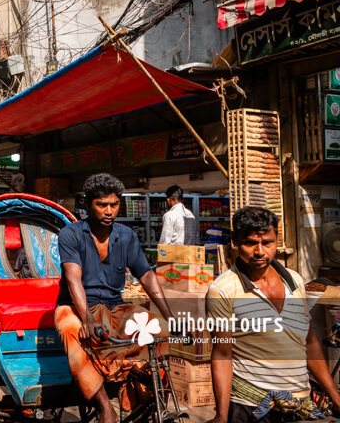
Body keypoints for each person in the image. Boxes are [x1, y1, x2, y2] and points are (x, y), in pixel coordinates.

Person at [55, 173, 175, 423]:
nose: (109, 211)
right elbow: (73, 278)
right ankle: (103, 407)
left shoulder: (127, 236)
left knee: (158, 330)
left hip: (114, 305)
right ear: (88, 204)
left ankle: (143, 397)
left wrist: (170, 317)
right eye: (102, 204)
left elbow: (147, 276)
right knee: (70, 331)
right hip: (75, 307)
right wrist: (86, 318)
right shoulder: (71, 234)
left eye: (114, 204)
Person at [205, 207, 340, 423]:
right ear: (235, 241)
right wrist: (221, 414)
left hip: (299, 406)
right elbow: (222, 354)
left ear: (277, 239)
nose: (260, 251)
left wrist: (335, 396)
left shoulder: (295, 282)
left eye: (267, 243)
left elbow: (309, 341)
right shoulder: (222, 290)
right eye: (250, 243)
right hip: (251, 407)